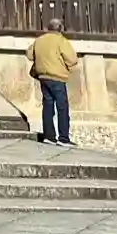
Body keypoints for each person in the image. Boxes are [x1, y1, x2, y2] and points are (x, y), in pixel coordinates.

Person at [27, 16, 80, 146]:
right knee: (62, 107)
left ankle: (49, 136)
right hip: (57, 78)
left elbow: (29, 55)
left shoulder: (39, 40)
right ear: (60, 28)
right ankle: (63, 138)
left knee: (48, 106)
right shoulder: (61, 41)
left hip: (43, 77)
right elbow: (72, 60)